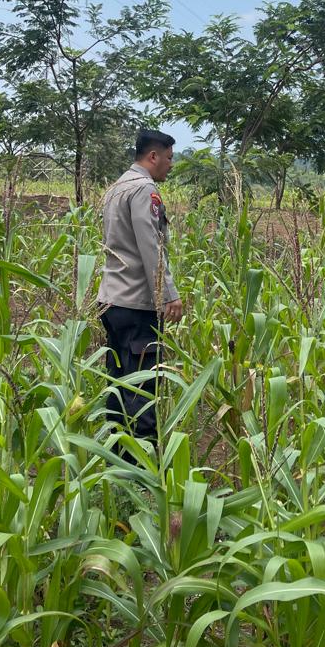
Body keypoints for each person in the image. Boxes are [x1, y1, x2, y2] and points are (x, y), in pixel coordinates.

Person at [97, 129, 184, 454]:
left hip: (112, 301)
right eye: (169, 158)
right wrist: (168, 294)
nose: (171, 165)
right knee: (142, 389)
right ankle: (142, 468)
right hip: (136, 305)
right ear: (153, 156)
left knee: (118, 384)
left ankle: (117, 459)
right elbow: (151, 246)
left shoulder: (118, 187)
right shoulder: (144, 190)